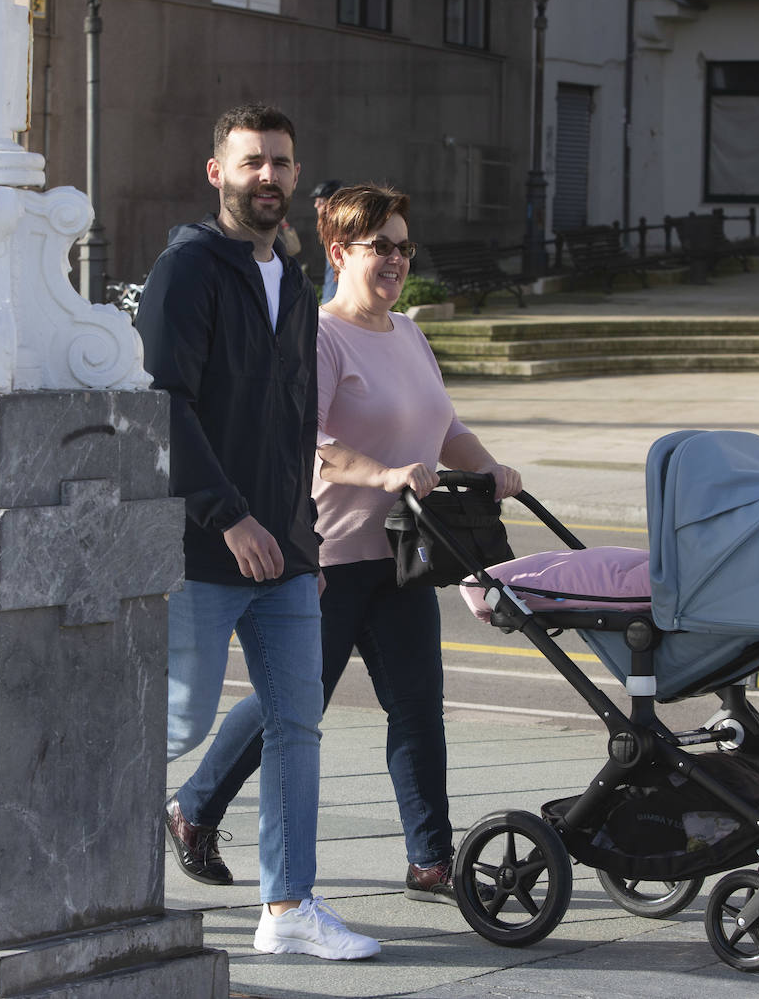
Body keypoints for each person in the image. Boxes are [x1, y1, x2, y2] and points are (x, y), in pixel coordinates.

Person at [163, 182, 522, 905]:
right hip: (329, 556)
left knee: (419, 706)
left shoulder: (410, 333)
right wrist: (386, 471)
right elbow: (314, 445)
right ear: (339, 252)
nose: (394, 259)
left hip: (403, 555)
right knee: (291, 707)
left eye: (402, 246)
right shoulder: (320, 335)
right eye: (378, 246)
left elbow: (445, 427)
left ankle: (431, 859)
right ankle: (193, 807)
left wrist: (487, 464)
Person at [133, 105, 379, 961]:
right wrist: (228, 514)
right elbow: (163, 403)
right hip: (205, 548)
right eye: (250, 163)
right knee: (175, 727)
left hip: (284, 554)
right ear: (217, 173)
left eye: (280, 161)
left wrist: (301, 538)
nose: (267, 176)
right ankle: (70, 849)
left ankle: (288, 908)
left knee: (296, 723)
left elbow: (292, 422)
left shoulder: (296, 282)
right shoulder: (189, 270)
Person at [309, 179, 342, 303]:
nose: (316, 205)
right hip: (330, 292)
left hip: (337, 295)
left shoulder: (339, 227)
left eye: (320, 201)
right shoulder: (328, 227)